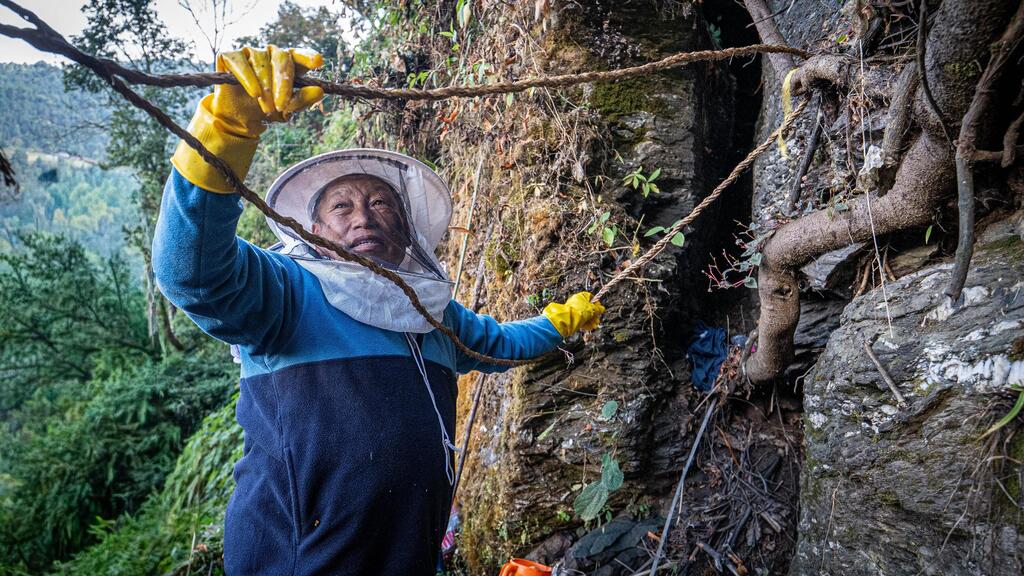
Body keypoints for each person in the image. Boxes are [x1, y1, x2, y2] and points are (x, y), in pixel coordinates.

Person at [152, 45, 605, 575]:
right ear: (313, 232)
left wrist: (559, 323)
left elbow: (498, 344)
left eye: (380, 203)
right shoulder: (285, 290)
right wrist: (223, 137)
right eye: (341, 207)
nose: (363, 217)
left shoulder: (431, 313)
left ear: (406, 228)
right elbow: (193, 273)